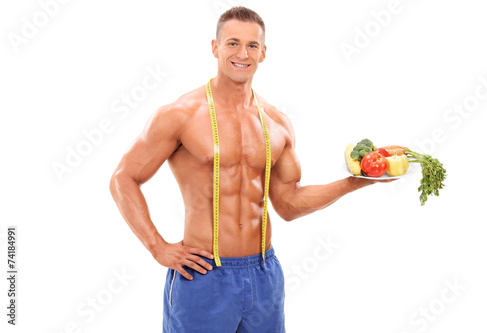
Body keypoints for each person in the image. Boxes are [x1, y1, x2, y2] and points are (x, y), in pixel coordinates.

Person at [109, 6, 393, 332]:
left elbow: (288, 203)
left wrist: (352, 182)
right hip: (203, 275)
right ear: (215, 47)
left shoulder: (277, 123)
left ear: (263, 53)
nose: (242, 53)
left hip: (264, 274)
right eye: (232, 43)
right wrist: (157, 247)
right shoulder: (180, 115)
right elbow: (123, 178)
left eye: (252, 45)